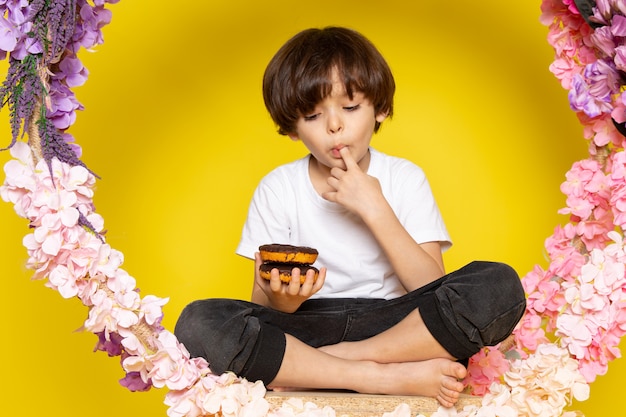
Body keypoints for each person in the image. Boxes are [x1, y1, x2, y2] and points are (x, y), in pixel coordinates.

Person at [174, 26, 526, 408]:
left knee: (498, 285)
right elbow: (263, 307)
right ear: (292, 126)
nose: (334, 126)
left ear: (381, 108)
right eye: (312, 114)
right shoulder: (278, 187)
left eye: (351, 107)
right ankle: (373, 375)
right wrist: (283, 299)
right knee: (198, 321)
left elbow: (432, 288)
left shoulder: (405, 178)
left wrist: (376, 210)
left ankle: (329, 367)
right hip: (308, 327)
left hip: (398, 327)